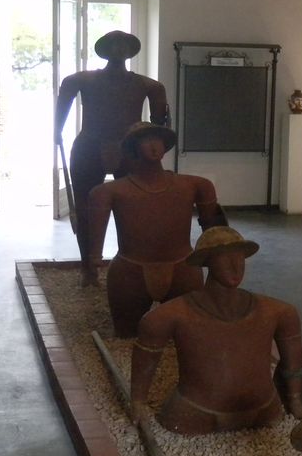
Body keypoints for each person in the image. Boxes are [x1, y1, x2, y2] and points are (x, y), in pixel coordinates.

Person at [131, 226, 302, 435]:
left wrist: (294, 399)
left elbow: (293, 363)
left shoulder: (279, 312)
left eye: (240, 257)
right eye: (225, 258)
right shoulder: (169, 316)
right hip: (195, 411)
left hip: (263, 408)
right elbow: (146, 359)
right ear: (208, 262)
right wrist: (138, 402)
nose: (235, 265)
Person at [86, 122, 225, 334]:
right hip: (131, 270)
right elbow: (95, 240)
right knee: (127, 333)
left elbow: (216, 236)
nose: (153, 146)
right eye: (146, 140)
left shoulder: (196, 185)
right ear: (133, 148)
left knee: (188, 332)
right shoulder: (109, 192)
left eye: (157, 140)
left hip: (183, 268)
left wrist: (218, 257)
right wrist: (94, 257)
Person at [54, 30, 169, 278]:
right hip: (90, 146)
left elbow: (159, 124)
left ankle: (130, 265)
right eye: (113, 45)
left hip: (130, 149)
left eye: (122, 45)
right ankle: (88, 268)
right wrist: (57, 130)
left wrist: (154, 144)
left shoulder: (148, 85)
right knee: (85, 209)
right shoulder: (82, 80)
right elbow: (65, 95)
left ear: (130, 51)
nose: (118, 49)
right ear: (104, 50)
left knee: (132, 209)